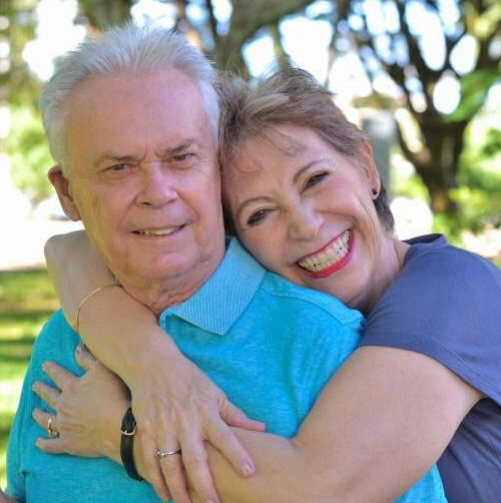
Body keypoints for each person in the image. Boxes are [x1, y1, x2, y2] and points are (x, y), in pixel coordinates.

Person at [3, 23, 448, 503]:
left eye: (181, 157)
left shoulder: (326, 343)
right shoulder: (66, 334)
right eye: (119, 168)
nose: (158, 192)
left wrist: (123, 434)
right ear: (67, 193)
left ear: (217, 167)